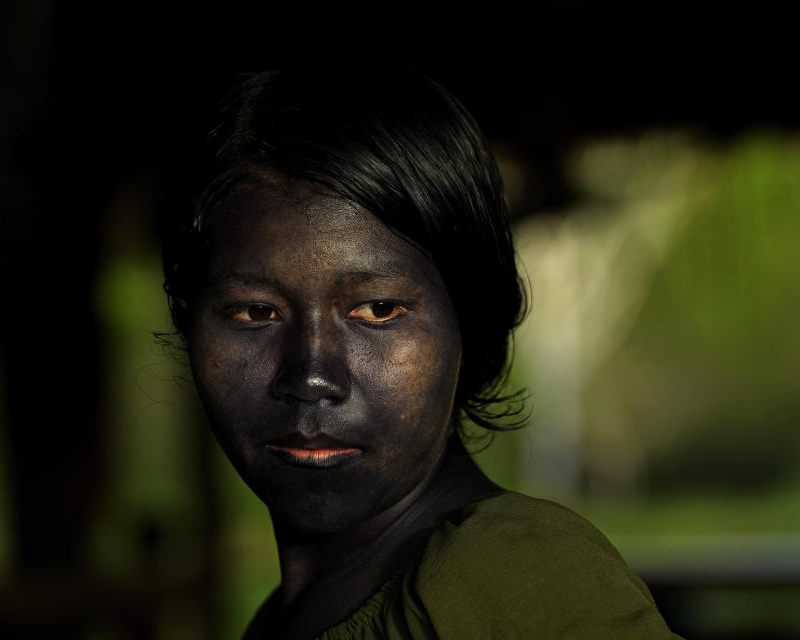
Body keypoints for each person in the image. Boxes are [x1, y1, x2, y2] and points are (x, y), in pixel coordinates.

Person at [162, 70, 681, 639]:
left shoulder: (517, 579)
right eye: (255, 313)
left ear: (471, 321)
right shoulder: (284, 620)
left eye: (379, 309)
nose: (311, 376)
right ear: (188, 320)